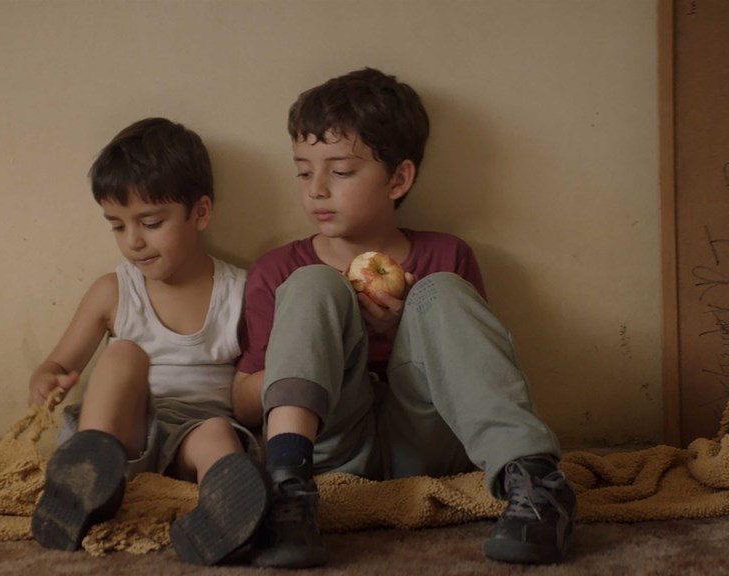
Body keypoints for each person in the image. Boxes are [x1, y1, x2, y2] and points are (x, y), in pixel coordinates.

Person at [232, 68, 577, 568]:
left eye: (340, 172)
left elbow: (475, 375)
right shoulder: (277, 270)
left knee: (440, 291)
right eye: (304, 172)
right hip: (329, 448)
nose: (317, 189)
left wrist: (400, 332)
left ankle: (537, 484)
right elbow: (243, 402)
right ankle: (286, 492)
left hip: (426, 445)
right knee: (313, 284)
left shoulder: (447, 255)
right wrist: (330, 344)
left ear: (398, 179)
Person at [28, 117, 270, 566]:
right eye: (117, 226)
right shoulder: (113, 290)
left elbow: (257, 380)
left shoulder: (240, 291)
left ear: (200, 213)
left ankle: (226, 513)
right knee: (123, 353)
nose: (133, 242)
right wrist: (46, 381)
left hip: (195, 432)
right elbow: (57, 364)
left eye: (151, 223)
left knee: (217, 434)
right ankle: (90, 482)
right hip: (124, 431)